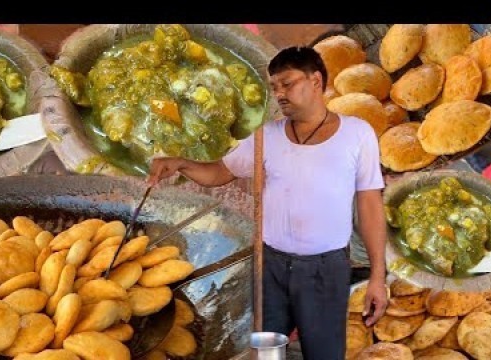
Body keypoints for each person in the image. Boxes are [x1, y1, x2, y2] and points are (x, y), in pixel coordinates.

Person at [148, 46, 388, 359]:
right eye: (274, 87)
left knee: (324, 352)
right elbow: (220, 172)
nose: (280, 94)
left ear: (316, 81)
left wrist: (378, 278)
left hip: (325, 268)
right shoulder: (266, 136)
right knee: (266, 352)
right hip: (271, 263)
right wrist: (180, 163)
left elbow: (370, 206)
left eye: (287, 84)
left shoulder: (357, 134)